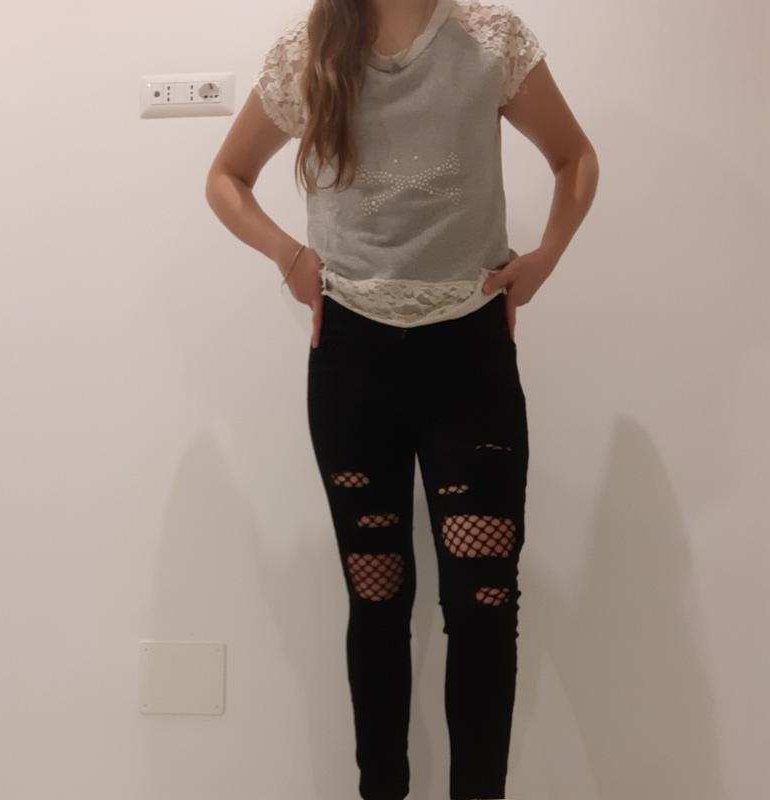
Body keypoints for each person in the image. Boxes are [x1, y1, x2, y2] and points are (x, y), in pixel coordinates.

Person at [206, 1, 598, 798]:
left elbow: (575, 158)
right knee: (376, 601)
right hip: (353, 362)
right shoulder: (309, 49)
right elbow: (226, 177)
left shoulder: (491, 40)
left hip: (470, 359)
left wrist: (547, 256)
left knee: (484, 605)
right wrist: (288, 256)